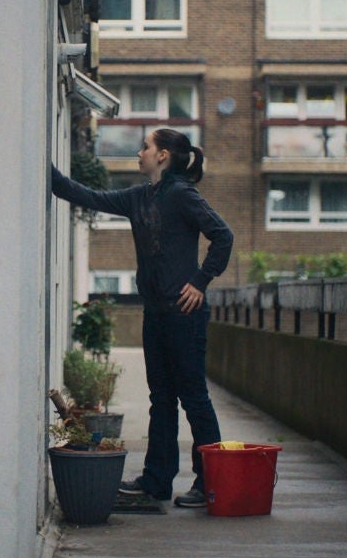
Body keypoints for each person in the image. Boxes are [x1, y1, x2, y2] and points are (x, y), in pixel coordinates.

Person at [50, 128, 233, 508]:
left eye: (145, 147)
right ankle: (156, 482)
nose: (139, 153)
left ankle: (211, 481)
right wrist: (44, 169)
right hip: (156, 313)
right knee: (161, 399)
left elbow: (223, 235)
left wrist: (200, 281)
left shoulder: (181, 194)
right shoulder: (139, 197)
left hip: (186, 314)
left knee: (194, 398)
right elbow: (89, 196)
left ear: (163, 155)